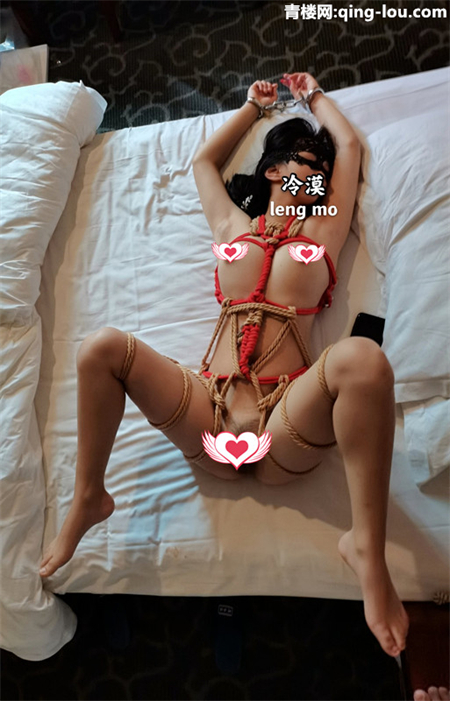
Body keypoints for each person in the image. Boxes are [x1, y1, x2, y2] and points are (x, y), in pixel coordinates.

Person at [39, 70, 410, 661]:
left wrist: (314, 97)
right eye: (304, 164)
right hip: (208, 408)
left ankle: (365, 546)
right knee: (101, 348)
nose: (316, 175)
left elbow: (350, 147)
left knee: (364, 359)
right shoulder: (232, 226)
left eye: (321, 170)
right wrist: (252, 109)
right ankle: (90, 497)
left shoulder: (324, 227)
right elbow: (203, 164)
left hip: (284, 417)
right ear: (273, 170)